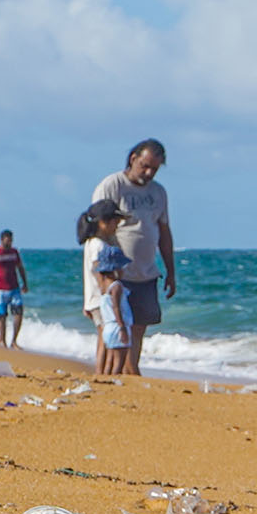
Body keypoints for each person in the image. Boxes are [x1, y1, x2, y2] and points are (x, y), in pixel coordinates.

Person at [85, 138, 173, 376]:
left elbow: (164, 231)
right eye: (145, 166)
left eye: (154, 169)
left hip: (145, 272)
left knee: (138, 326)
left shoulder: (158, 192)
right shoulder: (112, 185)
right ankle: (104, 373)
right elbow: (96, 229)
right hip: (114, 274)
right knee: (110, 327)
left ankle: (131, 370)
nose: (149, 173)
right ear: (133, 159)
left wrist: (171, 272)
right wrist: (95, 284)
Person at [82, 223, 131, 378]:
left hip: (109, 326)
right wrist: (122, 327)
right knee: (118, 359)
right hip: (116, 326)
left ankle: (103, 375)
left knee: (110, 355)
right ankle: (111, 377)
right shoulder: (116, 287)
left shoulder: (104, 289)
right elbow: (117, 308)